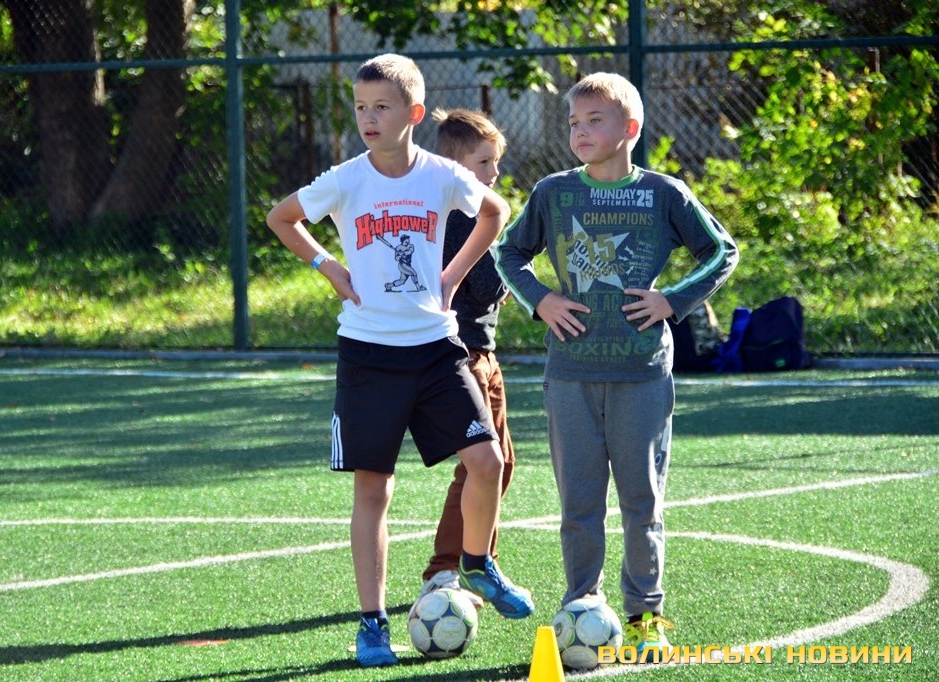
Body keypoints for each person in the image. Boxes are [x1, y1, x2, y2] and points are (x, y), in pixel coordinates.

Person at [265, 53, 535, 669]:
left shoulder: (442, 175)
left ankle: (476, 563)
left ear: (413, 113)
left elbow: (495, 212)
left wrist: (453, 274)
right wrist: (328, 267)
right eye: (361, 107)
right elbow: (282, 217)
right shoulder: (345, 179)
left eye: (381, 107)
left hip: (437, 350)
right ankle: (372, 623)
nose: (368, 118)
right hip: (369, 356)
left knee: (488, 461)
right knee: (374, 489)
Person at [496, 72, 739, 663]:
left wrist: (672, 300)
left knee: (641, 502)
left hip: (642, 372)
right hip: (569, 374)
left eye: (593, 121)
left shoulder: (664, 193)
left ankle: (645, 618)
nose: (579, 131)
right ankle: (582, 605)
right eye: (573, 122)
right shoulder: (554, 193)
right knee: (579, 505)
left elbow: (721, 251)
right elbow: (508, 253)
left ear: (629, 128)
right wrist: (541, 300)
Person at [415, 108, 516, 606]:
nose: (494, 172)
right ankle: (447, 568)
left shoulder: (460, 209)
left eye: (495, 162)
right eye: (484, 162)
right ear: (456, 165)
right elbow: (490, 284)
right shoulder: (465, 216)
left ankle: (478, 562)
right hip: (465, 354)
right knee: (480, 466)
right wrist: (514, 263)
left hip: (482, 353)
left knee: (501, 463)